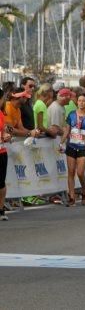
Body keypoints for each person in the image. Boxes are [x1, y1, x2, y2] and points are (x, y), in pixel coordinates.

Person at [60, 93, 85, 206]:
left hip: (83, 147)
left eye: (83, 101)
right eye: (79, 101)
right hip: (71, 145)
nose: (81, 103)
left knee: (80, 172)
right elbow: (67, 130)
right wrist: (61, 143)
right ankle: (71, 197)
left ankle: (84, 191)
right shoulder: (71, 114)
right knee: (71, 172)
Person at [0, 88, 13, 221]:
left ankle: (1, 209)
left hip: (1, 151)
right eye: (3, 98)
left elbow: (3, 132)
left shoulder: (1, 114)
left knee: (1, 182)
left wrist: (6, 136)